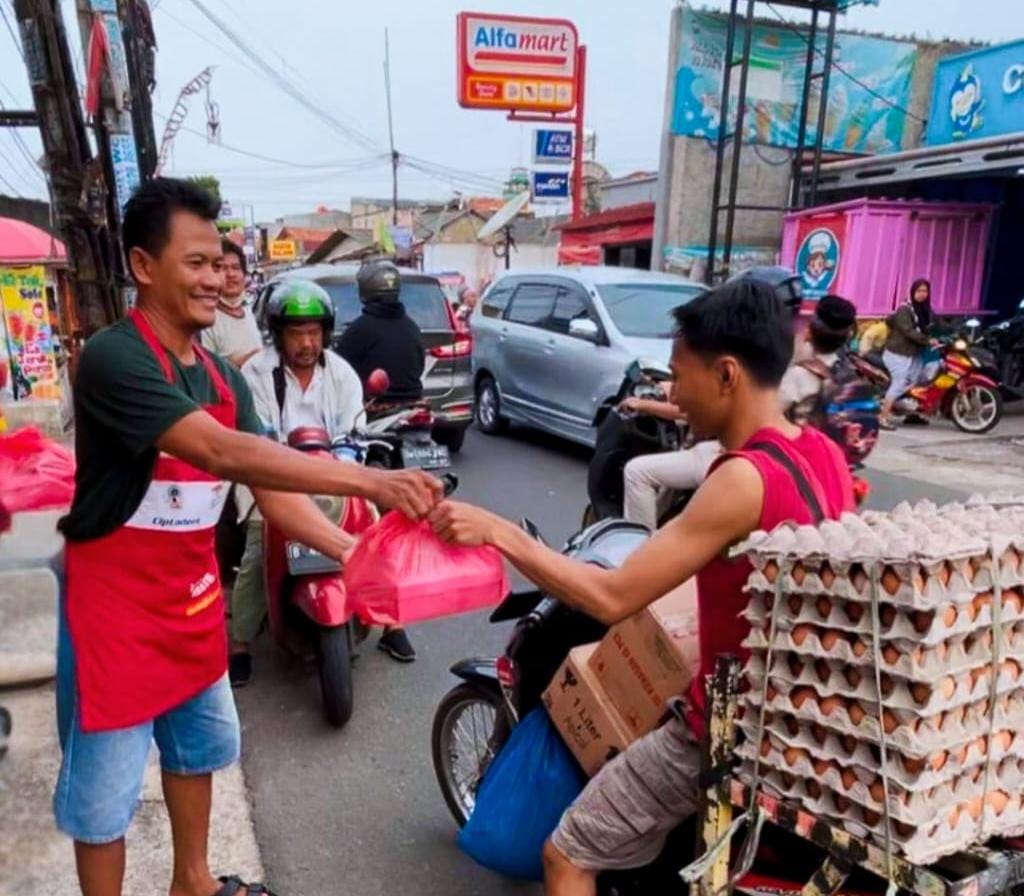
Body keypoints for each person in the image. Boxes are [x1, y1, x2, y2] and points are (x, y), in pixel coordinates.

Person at [55, 178, 441, 896]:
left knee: (199, 749)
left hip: (192, 605)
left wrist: (358, 555)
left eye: (220, 264)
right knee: (104, 802)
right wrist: (375, 486)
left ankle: (193, 882)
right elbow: (225, 455)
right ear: (144, 266)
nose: (216, 280)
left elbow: (277, 492)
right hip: (114, 617)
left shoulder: (222, 381)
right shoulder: (115, 360)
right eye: (196, 264)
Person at [428, 278, 854, 896]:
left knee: (567, 853)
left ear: (727, 375)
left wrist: (499, 533)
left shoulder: (740, 479)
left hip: (728, 729)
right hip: (798, 715)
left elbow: (611, 597)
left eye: (681, 376)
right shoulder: (822, 452)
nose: (674, 395)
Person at [228, 278, 381, 685]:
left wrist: (345, 467)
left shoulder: (342, 373)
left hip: (333, 473)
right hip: (272, 477)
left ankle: (391, 619)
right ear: (278, 335)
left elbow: (353, 428)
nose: (307, 343)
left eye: (314, 333)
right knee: (257, 552)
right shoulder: (256, 373)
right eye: (297, 334)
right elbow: (255, 434)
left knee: (376, 529)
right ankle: (240, 641)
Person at [335, 260, 425, 404]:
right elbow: (420, 366)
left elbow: (338, 370)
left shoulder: (359, 329)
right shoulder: (411, 326)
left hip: (374, 407)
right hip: (413, 403)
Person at [778, 293, 858, 413]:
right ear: (847, 338)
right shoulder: (852, 374)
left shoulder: (796, 376)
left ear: (809, 333)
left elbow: (770, 419)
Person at [879, 278, 934, 429]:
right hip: (898, 353)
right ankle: (882, 417)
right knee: (899, 383)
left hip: (914, 353)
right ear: (912, 291)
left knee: (916, 381)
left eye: (925, 291)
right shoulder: (904, 309)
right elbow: (908, 331)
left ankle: (911, 414)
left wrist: (954, 331)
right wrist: (928, 340)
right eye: (919, 291)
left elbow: (938, 323)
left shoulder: (925, 309)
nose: (922, 294)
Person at [200, 238, 262, 369]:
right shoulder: (207, 321)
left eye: (236, 268)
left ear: (244, 275)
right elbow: (207, 373)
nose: (231, 274)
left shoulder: (248, 313)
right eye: (223, 268)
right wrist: (247, 363)